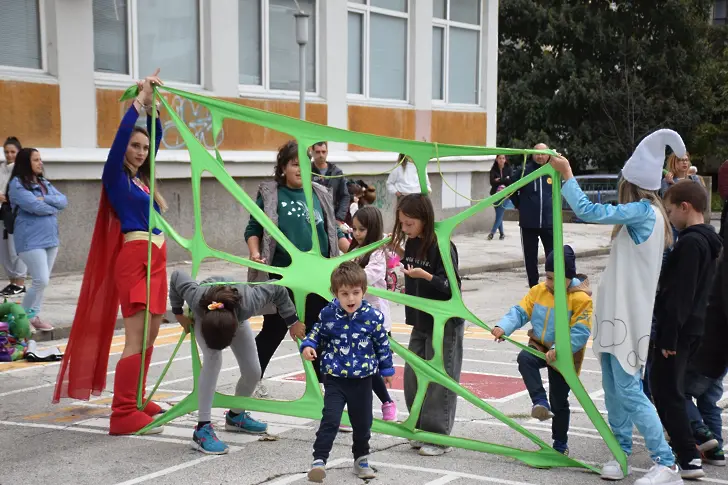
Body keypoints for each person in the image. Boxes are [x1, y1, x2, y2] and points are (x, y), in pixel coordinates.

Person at [550, 129, 685, 485]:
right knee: (614, 388)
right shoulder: (648, 214)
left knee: (628, 390)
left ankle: (666, 462)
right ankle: (620, 448)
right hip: (615, 317)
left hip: (627, 318)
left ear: (630, 183)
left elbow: (589, 211)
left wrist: (567, 176)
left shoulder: (643, 212)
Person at [53, 70, 167, 437]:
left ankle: (135, 398)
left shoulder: (144, 182)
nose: (141, 151)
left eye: (144, 147)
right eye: (136, 146)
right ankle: (122, 413)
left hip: (157, 261)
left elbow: (158, 138)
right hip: (135, 261)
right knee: (135, 338)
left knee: (149, 336)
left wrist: (155, 111)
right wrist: (139, 104)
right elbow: (121, 141)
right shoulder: (116, 178)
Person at [246, 140, 349, 397]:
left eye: (305, 163)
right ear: (283, 168)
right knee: (274, 329)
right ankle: (250, 380)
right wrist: (255, 254)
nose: (301, 169)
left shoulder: (319, 193)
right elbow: (254, 229)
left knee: (318, 330)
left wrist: (354, 249)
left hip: (317, 277)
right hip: (285, 276)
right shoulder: (271, 195)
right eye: (294, 164)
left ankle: (324, 391)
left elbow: (333, 231)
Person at [168, 270, 302, 454]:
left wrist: (292, 321)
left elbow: (278, 289)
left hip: (235, 308)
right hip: (206, 312)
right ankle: (202, 429)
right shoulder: (195, 297)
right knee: (213, 360)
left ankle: (236, 416)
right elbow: (177, 275)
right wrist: (178, 313)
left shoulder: (250, 301)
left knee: (253, 371)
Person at [491, 245, 592, 456]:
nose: (548, 282)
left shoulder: (581, 299)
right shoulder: (539, 291)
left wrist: (559, 348)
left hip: (565, 353)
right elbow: (520, 312)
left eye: (553, 278)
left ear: (568, 277)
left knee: (560, 400)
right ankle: (539, 402)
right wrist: (503, 327)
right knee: (525, 359)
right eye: (547, 276)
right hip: (539, 344)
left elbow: (580, 333)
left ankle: (560, 444)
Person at [651, 181, 722, 479]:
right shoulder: (711, 241)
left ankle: (688, 457)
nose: (668, 217)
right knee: (667, 388)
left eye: (669, 210)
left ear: (685, 207)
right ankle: (692, 451)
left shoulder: (691, 243)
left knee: (667, 391)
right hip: (695, 328)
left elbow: (681, 293)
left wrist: (669, 335)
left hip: (679, 331)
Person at [301, 262, 394, 482]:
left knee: (363, 423)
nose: (350, 299)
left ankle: (361, 458)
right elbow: (316, 333)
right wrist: (308, 345)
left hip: (363, 381)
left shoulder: (373, 317)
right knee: (330, 419)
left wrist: (386, 368)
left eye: (355, 293)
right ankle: (319, 461)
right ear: (335, 293)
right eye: (344, 294)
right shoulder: (328, 314)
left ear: (364, 291)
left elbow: (382, 344)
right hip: (335, 379)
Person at [390, 194, 463, 457]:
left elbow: (451, 288)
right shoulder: (411, 243)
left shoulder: (442, 245)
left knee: (440, 378)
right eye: (403, 224)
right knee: (412, 375)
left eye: (410, 224)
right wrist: (396, 250)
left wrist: (426, 276)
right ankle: (419, 427)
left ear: (424, 218)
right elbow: (410, 266)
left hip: (444, 322)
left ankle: (438, 436)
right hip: (420, 319)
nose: (406, 229)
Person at [7, 148, 67, 332]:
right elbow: (34, 206)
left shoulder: (43, 183)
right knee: (41, 280)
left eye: (40, 159)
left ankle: (33, 316)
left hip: (50, 239)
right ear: (26, 163)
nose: (40, 163)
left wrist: (46, 198)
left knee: (42, 281)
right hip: (30, 240)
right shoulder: (16, 184)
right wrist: (52, 206)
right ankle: (20, 318)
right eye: (36, 160)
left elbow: (63, 200)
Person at [347, 206, 397, 421]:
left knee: (370, 368)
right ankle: (381, 404)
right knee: (358, 368)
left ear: (373, 229)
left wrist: (346, 274)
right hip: (353, 320)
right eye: (354, 229)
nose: (357, 234)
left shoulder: (377, 253)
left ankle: (385, 403)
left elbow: (367, 276)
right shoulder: (354, 251)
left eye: (362, 229)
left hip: (376, 322)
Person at [684, 246, 728, 467]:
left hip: (707, 348)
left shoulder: (711, 277)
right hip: (721, 354)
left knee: (678, 391)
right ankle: (716, 449)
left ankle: (700, 430)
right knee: (709, 399)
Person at [511, 144, 554, 288]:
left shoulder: (553, 170)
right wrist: (520, 205)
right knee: (530, 258)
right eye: (537, 153)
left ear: (548, 154)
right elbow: (511, 187)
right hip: (529, 223)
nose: (540, 156)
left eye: (543, 153)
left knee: (553, 257)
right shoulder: (525, 170)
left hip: (549, 222)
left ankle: (552, 286)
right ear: (532, 154)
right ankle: (534, 288)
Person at [0, 137, 27, 296]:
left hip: (15, 214)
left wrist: (7, 197)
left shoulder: (22, 171)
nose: (9, 155)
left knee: (15, 249)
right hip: (2, 214)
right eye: (6, 152)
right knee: (4, 250)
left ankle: (20, 282)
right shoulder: (1, 169)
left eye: (12, 152)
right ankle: (12, 283)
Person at [310, 141, 350, 224]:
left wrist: (339, 218)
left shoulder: (336, 172)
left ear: (327, 152)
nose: (321, 155)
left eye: (323, 152)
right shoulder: (307, 171)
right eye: (317, 152)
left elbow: (345, 196)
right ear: (312, 152)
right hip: (312, 219)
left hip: (332, 219)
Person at [488, 154, 515, 240]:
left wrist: (499, 180)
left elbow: (510, 181)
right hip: (495, 195)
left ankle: (492, 233)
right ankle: (502, 234)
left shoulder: (509, 169)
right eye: (499, 158)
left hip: (506, 195)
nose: (501, 160)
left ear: (505, 160)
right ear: (496, 159)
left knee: (500, 214)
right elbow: (492, 182)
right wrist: (504, 179)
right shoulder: (493, 170)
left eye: (503, 158)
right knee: (499, 214)